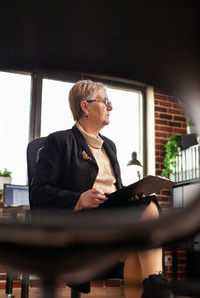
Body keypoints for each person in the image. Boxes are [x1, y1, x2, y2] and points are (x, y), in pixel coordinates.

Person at [30, 80, 175, 298]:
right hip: (80, 227)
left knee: (138, 239)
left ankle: (156, 286)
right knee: (148, 208)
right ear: (85, 106)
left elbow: (115, 188)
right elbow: (38, 192)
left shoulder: (110, 146)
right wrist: (78, 199)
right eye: (105, 101)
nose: (111, 107)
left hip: (113, 220)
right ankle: (160, 287)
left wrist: (132, 195)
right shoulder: (59, 141)